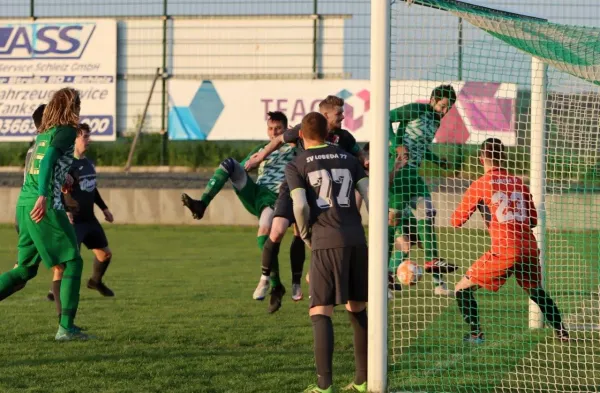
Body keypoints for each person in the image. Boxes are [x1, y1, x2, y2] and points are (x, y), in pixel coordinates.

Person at [245, 95, 368, 313]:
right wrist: (260, 156)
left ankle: (306, 281)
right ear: (326, 115)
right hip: (295, 184)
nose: (343, 116)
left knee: (313, 234)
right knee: (276, 230)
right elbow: (278, 140)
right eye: (339, 113)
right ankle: (265, 278)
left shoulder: (345, 138)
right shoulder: (307, 128)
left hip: (321, 192)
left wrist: (367, 161)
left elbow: (360, 157)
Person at [450, 138, 569, 343]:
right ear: (503, 157)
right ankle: (562, 331)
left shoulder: (480, 184)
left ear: (481, 159)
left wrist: (484, 210)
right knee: (536, 291)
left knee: (461, 288)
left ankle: (476, 334)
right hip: (529, 246)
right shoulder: (518, 182)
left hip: (506, 248)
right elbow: (532, 220)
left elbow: (456, 221)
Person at [286, 112, 370, 393]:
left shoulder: (296, 164)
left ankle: (324, 386)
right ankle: (363, 380)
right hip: (356, 239)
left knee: (320, 311)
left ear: (301, 135)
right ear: (328, 133)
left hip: (325, 239)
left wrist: (307, 235)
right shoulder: (349, 159)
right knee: (357, 306)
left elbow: (299, 206)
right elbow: (370, 195)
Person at [0, 87, 90, 341]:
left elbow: (44, 161)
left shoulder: (44, 134)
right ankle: (66, 328)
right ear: (71, 108)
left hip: (24, 204)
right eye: (78, 106)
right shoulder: (66, 131)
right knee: (73, 261)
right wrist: (44, 195)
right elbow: (49, 159)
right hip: (44, 206)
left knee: (25, 270)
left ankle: (66, 327)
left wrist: (64, 177)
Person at [181, 112, 297, 300]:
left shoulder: (295, 148)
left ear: (286, 129)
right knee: (229, 164)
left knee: (265, 230)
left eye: (278, 129)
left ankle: (274, 284)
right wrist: (248, 164)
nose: (273, 132)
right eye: (270, 128)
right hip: (257, 193)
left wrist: (294, 142)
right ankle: (202, 204)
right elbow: (244, 167)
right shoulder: (262, 148)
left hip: (279, 197)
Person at [388, 84, 458, 297]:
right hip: (398, 173)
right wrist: (395, 146)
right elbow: (385, 118)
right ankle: (386, 278)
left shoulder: (435, 121)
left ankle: (436, 277)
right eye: (442, 106)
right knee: (394, 229)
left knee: (427, 213)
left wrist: (438, 162)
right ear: (432, 100)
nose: (444, 112)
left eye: (449, 108)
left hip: (414, 176)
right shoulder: (417, 110)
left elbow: (420, 148)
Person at [45, 123, 116, 315]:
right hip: (73, 221)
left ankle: (95, 282)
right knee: (67, 261)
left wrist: (104, 208)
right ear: (74, 139)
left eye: (88, 135)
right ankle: (55, 291)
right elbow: (56, 189)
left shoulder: (88, 162)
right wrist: (65, 209)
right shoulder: (66, 164)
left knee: (105, 255)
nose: (88, 139)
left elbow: (92, 188)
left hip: (90, 219)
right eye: (84, 136)